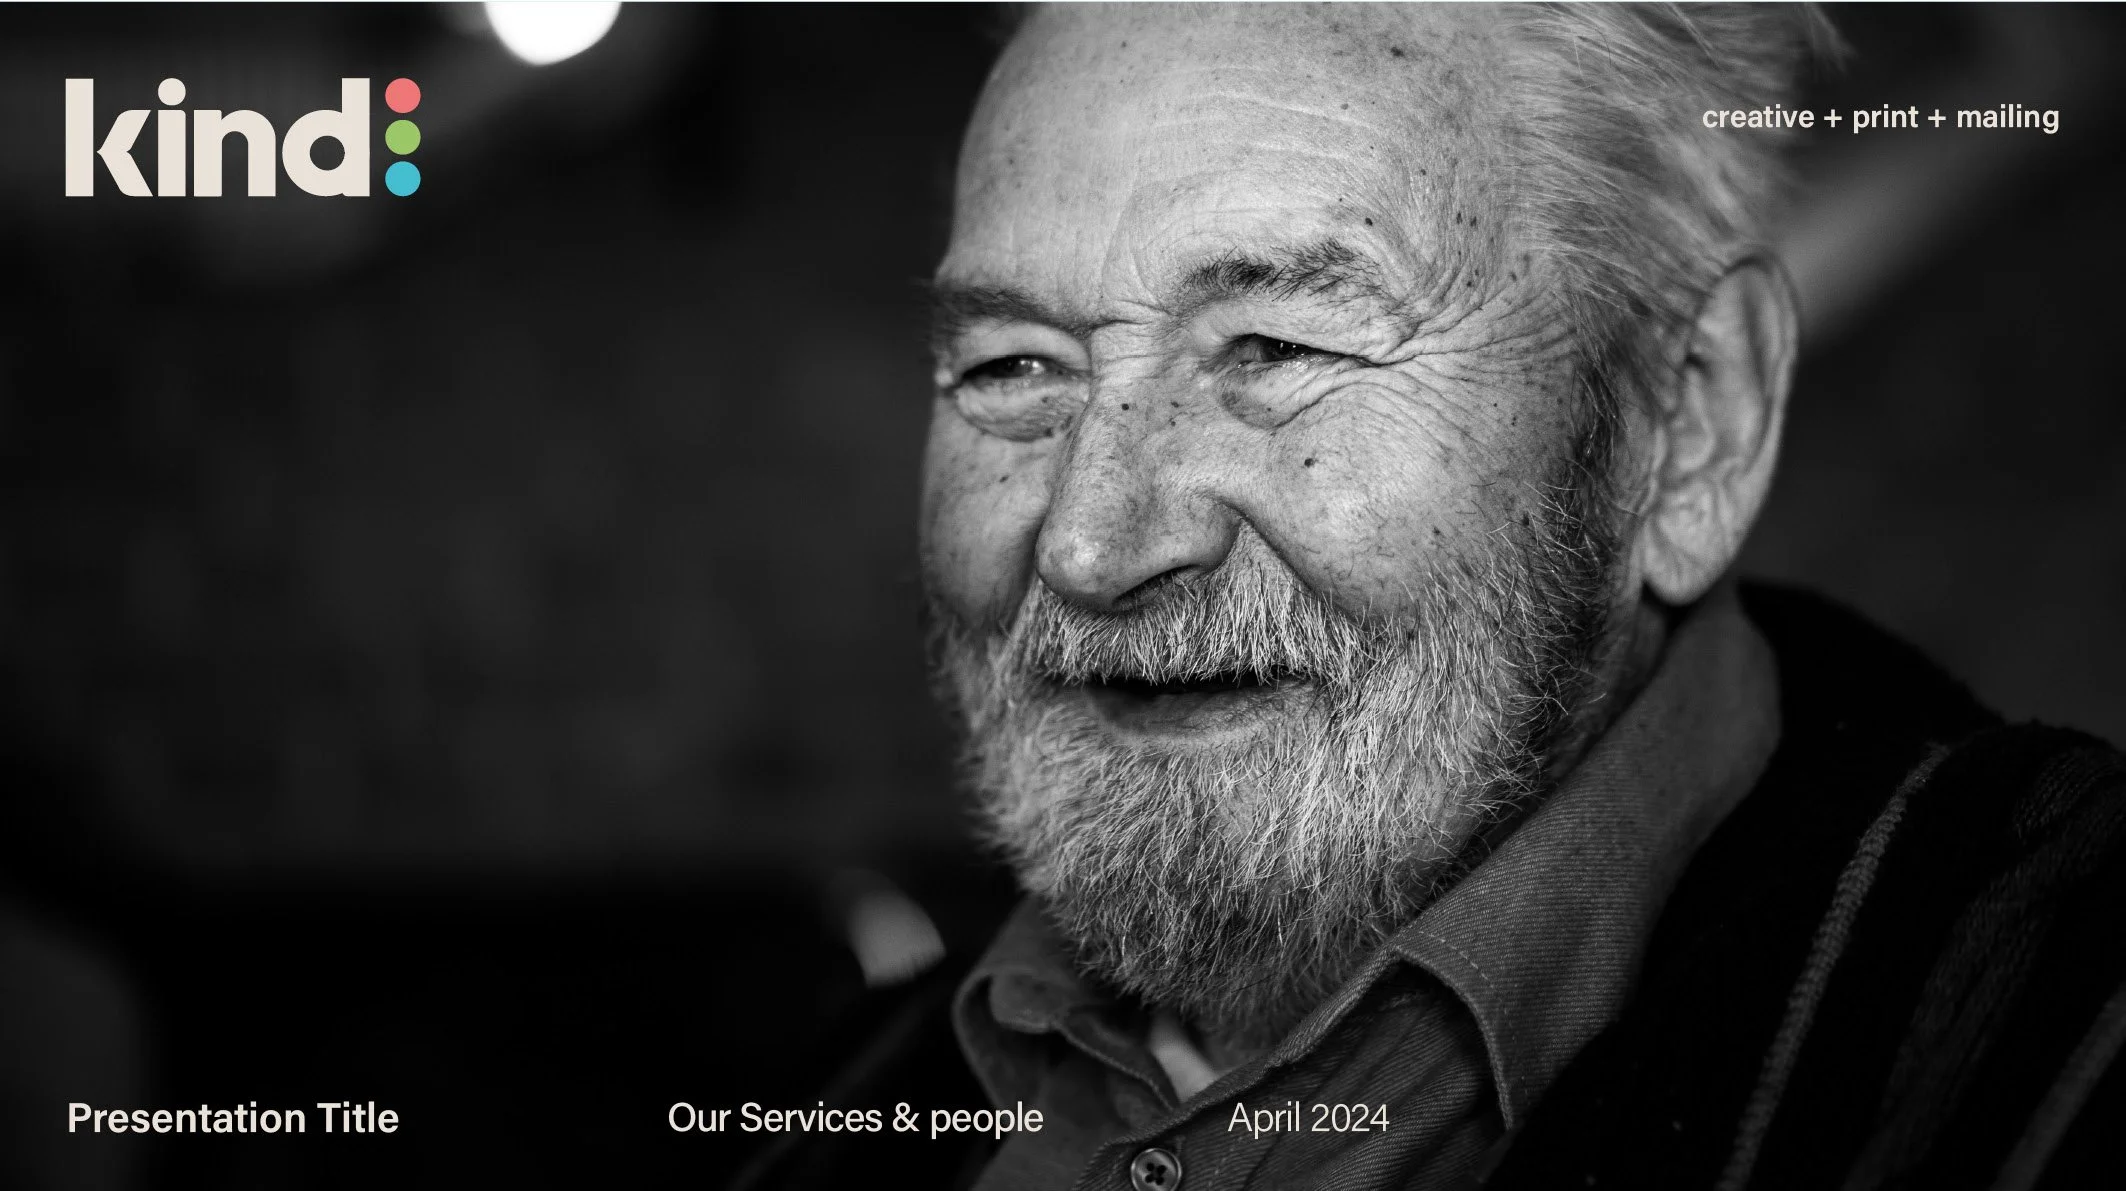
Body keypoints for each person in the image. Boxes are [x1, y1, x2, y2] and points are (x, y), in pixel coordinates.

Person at [738, 5, 2124, 1188]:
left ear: (1690, 420)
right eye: (1013, 368)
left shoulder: (2060, 1037)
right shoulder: (826, 1113)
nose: (1092, 545)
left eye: (1277, 346)